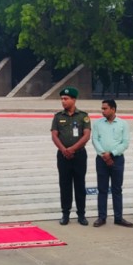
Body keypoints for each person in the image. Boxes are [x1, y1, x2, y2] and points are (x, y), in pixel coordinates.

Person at [50, 86, 91, 226]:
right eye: (62, 99)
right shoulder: (58, 117)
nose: (63, 101)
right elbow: (54, 135)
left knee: (80, 184)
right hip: (63, 156)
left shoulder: (83, 116)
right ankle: (65, 214)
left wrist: (72, 149)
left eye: (66, 99)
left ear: (74, 99)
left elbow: (86, 135)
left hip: (79, 155)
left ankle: (81, 214)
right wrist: (64, 149)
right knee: (65, 185)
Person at [91, 99, 133, 227]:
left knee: (117, 189)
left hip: (117, 159)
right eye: (102, 108)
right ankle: (101, 217)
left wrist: (112, 154)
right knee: (102, 189)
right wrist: (104, 154)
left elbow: (125, 143)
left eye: (105, 108)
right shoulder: (97, 123)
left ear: (113, 109)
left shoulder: (123, 124)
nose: (102, 111)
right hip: (101, 159)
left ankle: (118, 218)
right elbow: (95, 140)